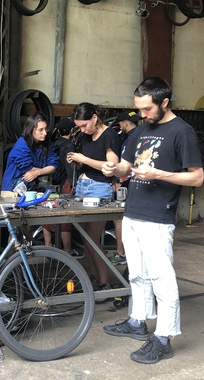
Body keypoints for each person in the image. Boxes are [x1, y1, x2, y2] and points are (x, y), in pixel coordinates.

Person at [101, 77, 204, 364]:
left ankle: (164, 337)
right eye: (138, 109)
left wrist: (158, 174)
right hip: (133, 211)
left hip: (158, 216)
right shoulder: (142, 130)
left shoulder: (182, 132)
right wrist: (115, 168)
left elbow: (197, 177)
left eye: (146, 109)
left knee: (162, 278)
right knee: (137, 272)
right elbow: (127, 166)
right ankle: (137, 321)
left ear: (164, 102)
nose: (141, 115)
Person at [66, 103, 121, 292]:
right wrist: (76, 161)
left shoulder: (109, 136)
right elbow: (86, 163)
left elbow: (111, 167)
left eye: (84, 125)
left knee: (92, 239)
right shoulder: (85, 136)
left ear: (95, 118)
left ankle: (105, 283)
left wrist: (84, 159)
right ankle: (96, 279)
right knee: (85, 238)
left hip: (99, 188)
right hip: (83, 186)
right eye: (79, 126)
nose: (82, 130)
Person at [41, 117, 82, 257]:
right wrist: (74, 183)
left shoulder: (53, 143)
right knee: (65, 216)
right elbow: (71, 168)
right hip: (65, 182)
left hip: (52, 181)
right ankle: (68, 251)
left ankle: (48, 245)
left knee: (48, 212)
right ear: (71, 130)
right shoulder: (69, 146)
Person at [110, 110, 142, 266]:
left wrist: (118, 181)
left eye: (120, 124)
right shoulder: (140, 135)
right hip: (137, 182)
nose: (120, 127)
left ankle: (121, 253)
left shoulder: (131, 139)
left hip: (128, 182)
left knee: (119, 218)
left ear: (125, 123)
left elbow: (126, 164)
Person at [2, 112, 59, 192]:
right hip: (13, 188)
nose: (45, 133)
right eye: (41, 130)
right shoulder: (22, 145)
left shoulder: (47, 144)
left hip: (34, 187)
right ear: (31, 130)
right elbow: (29, 169)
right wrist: (44, 171)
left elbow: (53, 166)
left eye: (46, 129)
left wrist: (37, 172)